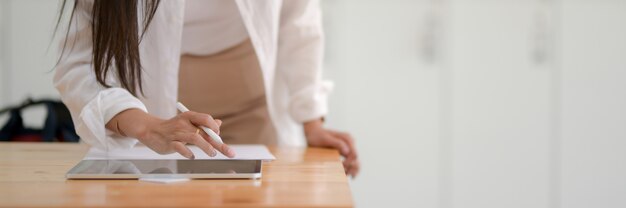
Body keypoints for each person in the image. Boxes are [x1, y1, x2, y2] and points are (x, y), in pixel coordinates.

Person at [54, 0, 359, 177]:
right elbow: (77, 65)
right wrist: (147, 127)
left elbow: (299, 21)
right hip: (149, 110)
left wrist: (312, 123)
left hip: (254, 108)